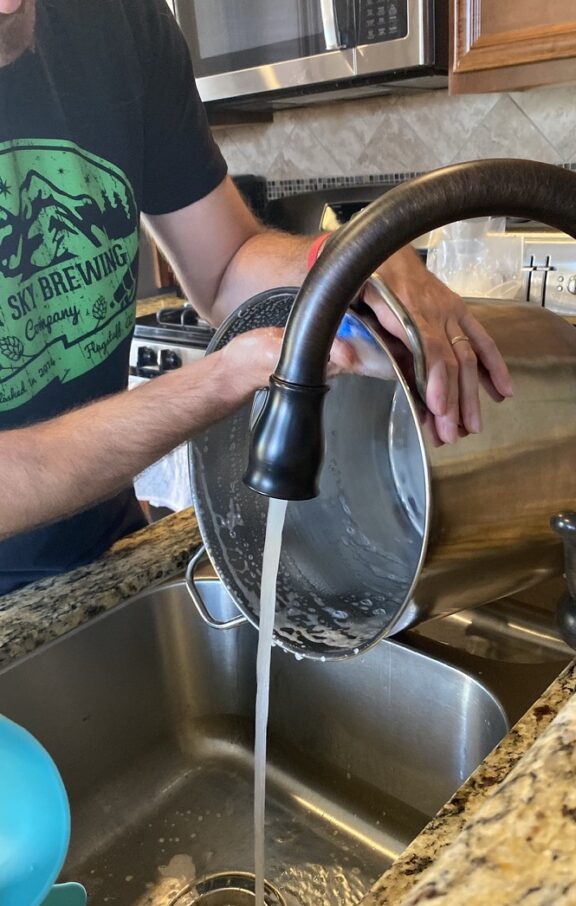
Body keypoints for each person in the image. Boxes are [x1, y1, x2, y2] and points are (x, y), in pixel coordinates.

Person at [0, 0, 512, 594]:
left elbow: (224, 267)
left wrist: (340, 263)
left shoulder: (122, 25)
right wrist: (220, 378)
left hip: (105, 551)